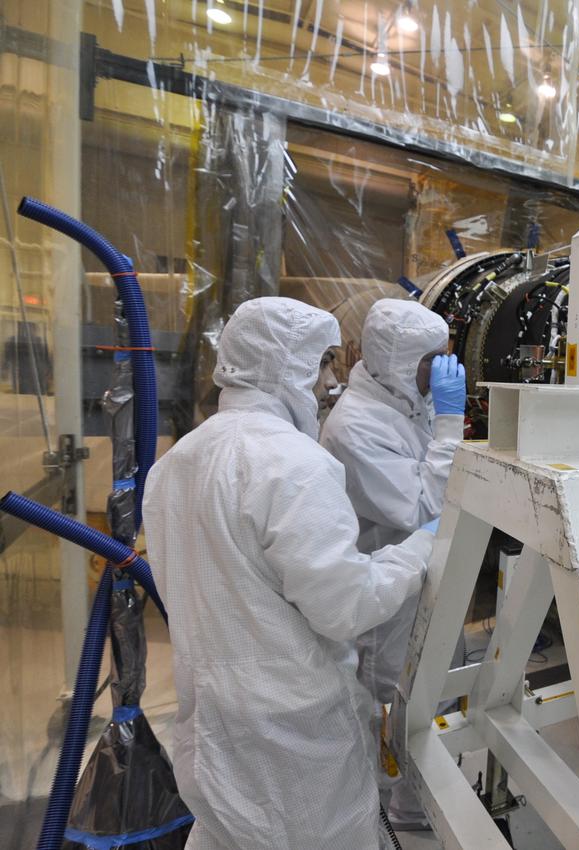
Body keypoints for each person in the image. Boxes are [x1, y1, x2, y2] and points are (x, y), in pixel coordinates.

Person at [142, 297, 435, 850]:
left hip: (210, 722)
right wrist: (421, 549)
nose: (332, 381)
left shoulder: (177, 461)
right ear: (282, 363)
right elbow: (346, 606)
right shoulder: (294, 463)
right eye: (322, 363)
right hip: (292, 733)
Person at [319, 298, 466, 830]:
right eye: (430, 361)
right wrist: (449, 423)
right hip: (389, 594)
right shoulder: (355, 425)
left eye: (444, 357)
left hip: (425, 576)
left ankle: (417, 799)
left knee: (432, 693)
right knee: (390, 704)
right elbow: (423, 506)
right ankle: (387, 813)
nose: (440, 371)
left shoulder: (403, 400)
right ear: (399, 362)